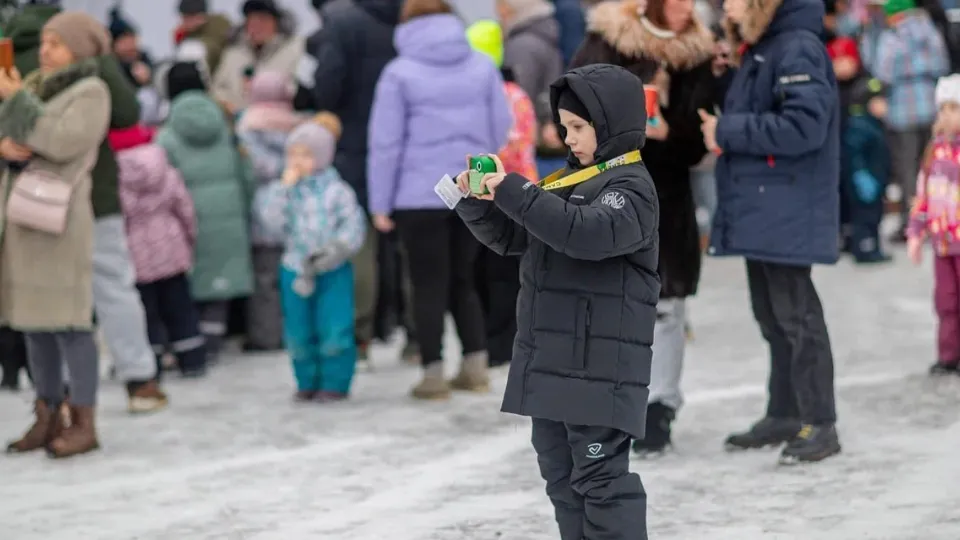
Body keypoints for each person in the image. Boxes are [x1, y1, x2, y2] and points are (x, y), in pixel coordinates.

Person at [455, 63, 657, 539]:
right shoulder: (567, 182)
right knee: (562, 481)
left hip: (598, 368)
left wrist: (514, 186)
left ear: (612, 125)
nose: (568, 138)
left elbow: (583, 234)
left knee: (602, 484)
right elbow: (515, 237)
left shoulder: (630, 188)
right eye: (565, 127)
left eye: (579, 128)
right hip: (551, 362)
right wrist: (476, 202)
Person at [570, 0, 717, 456]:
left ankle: (659, 406)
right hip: (607, 189)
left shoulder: (697, 53)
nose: (683, 7)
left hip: (666, 196)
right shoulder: (607, 41)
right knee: (605, 300)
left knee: (666, 304)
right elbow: (570, 109)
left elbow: (698, 144)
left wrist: (670, 131)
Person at [699, 0, 842, 464]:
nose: (727, 4)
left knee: (798, 318)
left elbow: (804, 126)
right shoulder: (764, 47)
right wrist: (727, 76)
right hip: (765, 203)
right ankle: (784, 411)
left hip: (786, 203)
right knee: (772, 315)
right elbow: (768, 107)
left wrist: (727, 130)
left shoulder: (796, 46)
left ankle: (820, 422)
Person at [367, 0, 512, 399]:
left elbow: (386, 144)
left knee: (427, 283)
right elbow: (501, 127)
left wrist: (381, 203)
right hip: (471, 187)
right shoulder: (482, 66)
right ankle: (476, 366)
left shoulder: (398, 74)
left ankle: (432, 373)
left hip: (418, 195)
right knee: (466, 278)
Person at [0, 11, 113, 458]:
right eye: (44, 42)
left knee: (69, 320)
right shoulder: (33, 86)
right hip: (25, 218)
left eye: (56, 43)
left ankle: (83, 419)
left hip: (62, 220)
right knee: (34, 322)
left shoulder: (91, 91)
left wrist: (13, 99)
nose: (45, 51)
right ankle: (46, 414)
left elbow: (61, 139)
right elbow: (17, 135)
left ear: (81, 50)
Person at [297, 0, 404, 361]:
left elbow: (327, 87)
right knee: (413, 246)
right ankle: (420, 337)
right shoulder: (417, 13)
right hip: (410, 147)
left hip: (357, 144)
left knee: (361, 242)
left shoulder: (341, 22)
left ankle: (360, 334)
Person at [256, 120, 367, 402]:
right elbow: (270, 223)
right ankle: (306, 379)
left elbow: (353, 225)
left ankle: (335, 382)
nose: (297, 161)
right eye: (293, 154)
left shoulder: (337, 191)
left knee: (334, 326)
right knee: (298, 330)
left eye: (305, 155)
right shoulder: (286, 190)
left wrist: (338, 248)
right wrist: (281, 188)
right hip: (295, 269)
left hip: (332, 270)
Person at [157, 74, 256, 364]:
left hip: (186, 221)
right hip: (229, 216)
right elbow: (247, 174)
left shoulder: (166, 138)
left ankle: (189, 343)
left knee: (190, 284)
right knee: (219, 284)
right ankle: (214, 340)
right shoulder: (226, 132)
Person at [467, 21, 539, 368]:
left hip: (508, 193)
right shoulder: (514, 94)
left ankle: (504, 343)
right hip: (508, 191)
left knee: (500, 271)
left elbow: (513, 144)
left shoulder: (506, 95)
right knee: (493, 271)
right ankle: (498, 341)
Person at [111, 125, 207, 379]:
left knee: (146, 312)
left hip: (136, 253)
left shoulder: (114, 178)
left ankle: (151, 362)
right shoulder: (165, 170)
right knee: (181, 307)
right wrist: (189, 236)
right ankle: (192, 357)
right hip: (171, 247)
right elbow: (184, 207)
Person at [238, 71, 308, 351]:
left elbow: (250, 170)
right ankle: (297, 332)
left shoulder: (245, 128)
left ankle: (266, 336)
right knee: (296, 278)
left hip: (261, 213)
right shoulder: (299, 128)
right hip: (296, 210)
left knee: (265, 281)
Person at [868, 0, 948, 243]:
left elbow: (882, 71)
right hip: (930, 106)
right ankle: (940, 220)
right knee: (934, 168)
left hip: (902, 110)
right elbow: (942, 64)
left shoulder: (892, 36)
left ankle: (914, 224)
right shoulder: (930, 31)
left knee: (907, 169)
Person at [907, 74, 960, 376]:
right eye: (942, 109)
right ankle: (949, 355)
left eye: (952, 109)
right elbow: (922, 197)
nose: (945, 116)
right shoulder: (934, 152)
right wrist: (916, 233)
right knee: (946, 301)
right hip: (943, 245)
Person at [829, 37, 891, 264]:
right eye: (838, 60)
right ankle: (850, 239)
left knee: (865, 206)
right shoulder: (830, 87)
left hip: (860, 159)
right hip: (839, 154)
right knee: (845, 202)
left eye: (847, 59)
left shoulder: (865, 85)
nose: (843, 65)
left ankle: (862, 242)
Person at [213, 0, 304, 113]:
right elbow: (218, 89)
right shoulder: (232, 53)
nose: (256, 26)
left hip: (280, 124)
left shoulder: (295, 49)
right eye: (251, 20)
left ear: (277, 23)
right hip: (236, 123)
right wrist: (227, 105)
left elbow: (298, 88)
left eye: (263, 20)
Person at [174, 0, 233, 75]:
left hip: (222, 69)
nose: (185, 21)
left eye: (189, 17)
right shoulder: (184, 33)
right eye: (184, 17)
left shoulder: (219, 23)